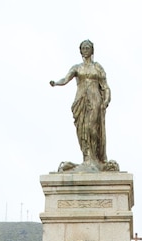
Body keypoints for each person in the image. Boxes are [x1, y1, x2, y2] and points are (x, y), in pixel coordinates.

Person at [50, 39, 112, 168]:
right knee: (82, 129)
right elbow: (65, 79)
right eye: (83, 48)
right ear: (80, 51)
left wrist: (106, 100)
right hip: (81, 99)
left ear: (92, 50)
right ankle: (86, 157)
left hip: (95, 99)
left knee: (92, 128)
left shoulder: (97, 67)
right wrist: (55, 83)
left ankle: (94, 158)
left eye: (87, 47)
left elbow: (105, 86)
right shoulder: (77, 68)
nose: (85, 50)